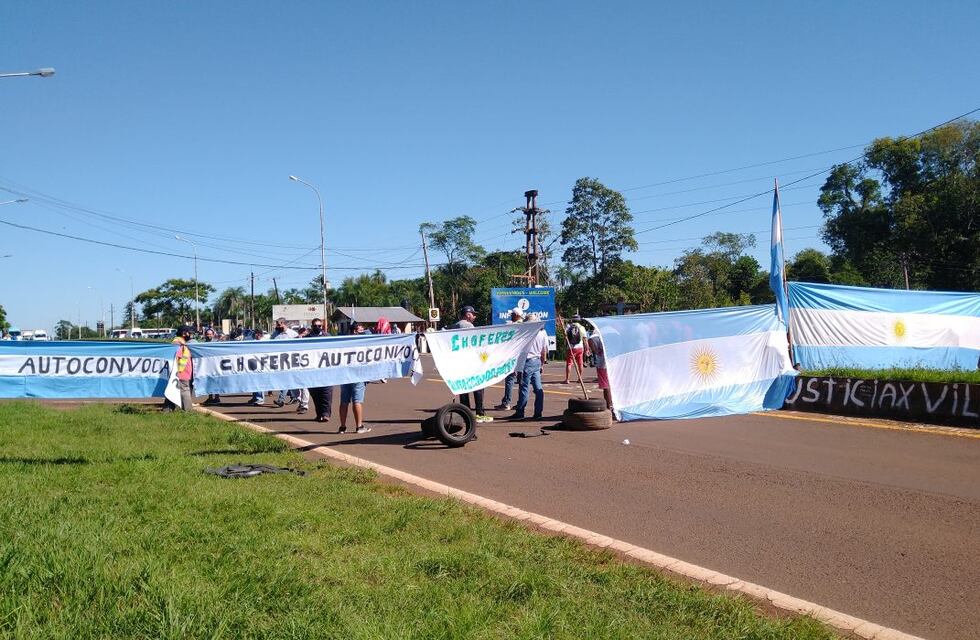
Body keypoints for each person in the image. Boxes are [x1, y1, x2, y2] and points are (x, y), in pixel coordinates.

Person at [446, 305, 493, 423]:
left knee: (464, 388)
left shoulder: (454, 326)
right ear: (467, 315)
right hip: (470, 362)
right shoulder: (468, 326)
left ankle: (465, 414)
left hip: (459, 362)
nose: (474, 316)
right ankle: (480, 413)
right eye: (473, 314)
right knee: (478, 386)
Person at [508, 314, 548, 421]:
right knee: (538, 388)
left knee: (524, 388)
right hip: (536, 361)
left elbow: (518, 350)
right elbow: (544, 351)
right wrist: (542, 364)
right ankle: (538, 413)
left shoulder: (526, 333)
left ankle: (520, 412)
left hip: (526, 361)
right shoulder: (542, 333)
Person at [339, 323, 370, 434]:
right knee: (357, 401)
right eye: (360, 329)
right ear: (355, 331)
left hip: (345, 374)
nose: (363, 331)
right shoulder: (360, 342)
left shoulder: (344, 341)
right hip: (357, 375)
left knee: (344, 401)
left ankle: (342, 427)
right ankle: (359, 426)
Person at [495, 307, 525, 410]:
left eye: (512, 314)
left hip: (512, 356)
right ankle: (520, 403)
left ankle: (506, 402)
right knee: (521, 381)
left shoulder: (512, 325)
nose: (511, 316)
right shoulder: (525, 326)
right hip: (522, 356)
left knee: (510, 379)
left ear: (516, 315)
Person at [306, 318, 333, 422]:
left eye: (319, 326)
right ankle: (319, 414)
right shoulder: (307, 338)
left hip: (325, 370)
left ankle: (326, 414)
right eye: (315, 326)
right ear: (312, 326)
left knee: (326, 393)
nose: (317, 327)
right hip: (312, 371)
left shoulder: (327, 337)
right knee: (315, 394)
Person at [164, 325, 195, 411]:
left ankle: (168, 409)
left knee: (173, 389)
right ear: (184, 333)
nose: (190, 335)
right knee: (184, 390)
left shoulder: (180, 342)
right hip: (181, 371)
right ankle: (188, 410)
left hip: (181, 371)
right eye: (189, 333)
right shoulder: (177, 343)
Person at [271, 317, 300, 407]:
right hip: (279, 360)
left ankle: (281, 400)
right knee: (287, 380)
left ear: (283, 324)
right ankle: (295, 396)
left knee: (285, 380)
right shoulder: (275, 334)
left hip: (290, 361)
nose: (277, 326)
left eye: (279, 324)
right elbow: (270, 345)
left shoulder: (293, 334)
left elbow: (298, 346)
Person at [588, 329, 612, 411]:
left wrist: (595, 350)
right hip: (612, 362)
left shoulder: (595, 335)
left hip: (602, 364)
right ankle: (612, 405)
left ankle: (609, 406)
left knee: (606, 386)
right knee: (611, 385)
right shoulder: (612, 333)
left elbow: (591, 341)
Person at [563, 314, 591, 384]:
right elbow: (585, 340)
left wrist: (565, 346)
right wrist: (587, 349)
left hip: (570, 347)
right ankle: (580, 378)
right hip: (580, 348)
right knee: (580, 363)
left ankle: (567, 379)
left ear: (572, 320)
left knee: (569, 363)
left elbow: (565, 337)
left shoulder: (568, 326)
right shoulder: (582, 327)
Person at [246, 329, 269, 405]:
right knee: (253, 381)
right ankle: (255, 397)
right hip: (253, 363)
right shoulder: (253, 340)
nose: (254, 335)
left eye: (255, 334)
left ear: (259, 334)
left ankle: (260, 398)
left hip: (261, 364)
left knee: (259, 381)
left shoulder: (264, 341)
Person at [201, 328, 222, 406]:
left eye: (210, 334)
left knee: (216, 380)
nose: (209, 335)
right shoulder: (204, 343)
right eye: (207, 334)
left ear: (213, 334)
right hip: (207, 365)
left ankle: (217, 397)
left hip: (215, 364)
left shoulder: (217, 342)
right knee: (208, 381)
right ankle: (210, 397)